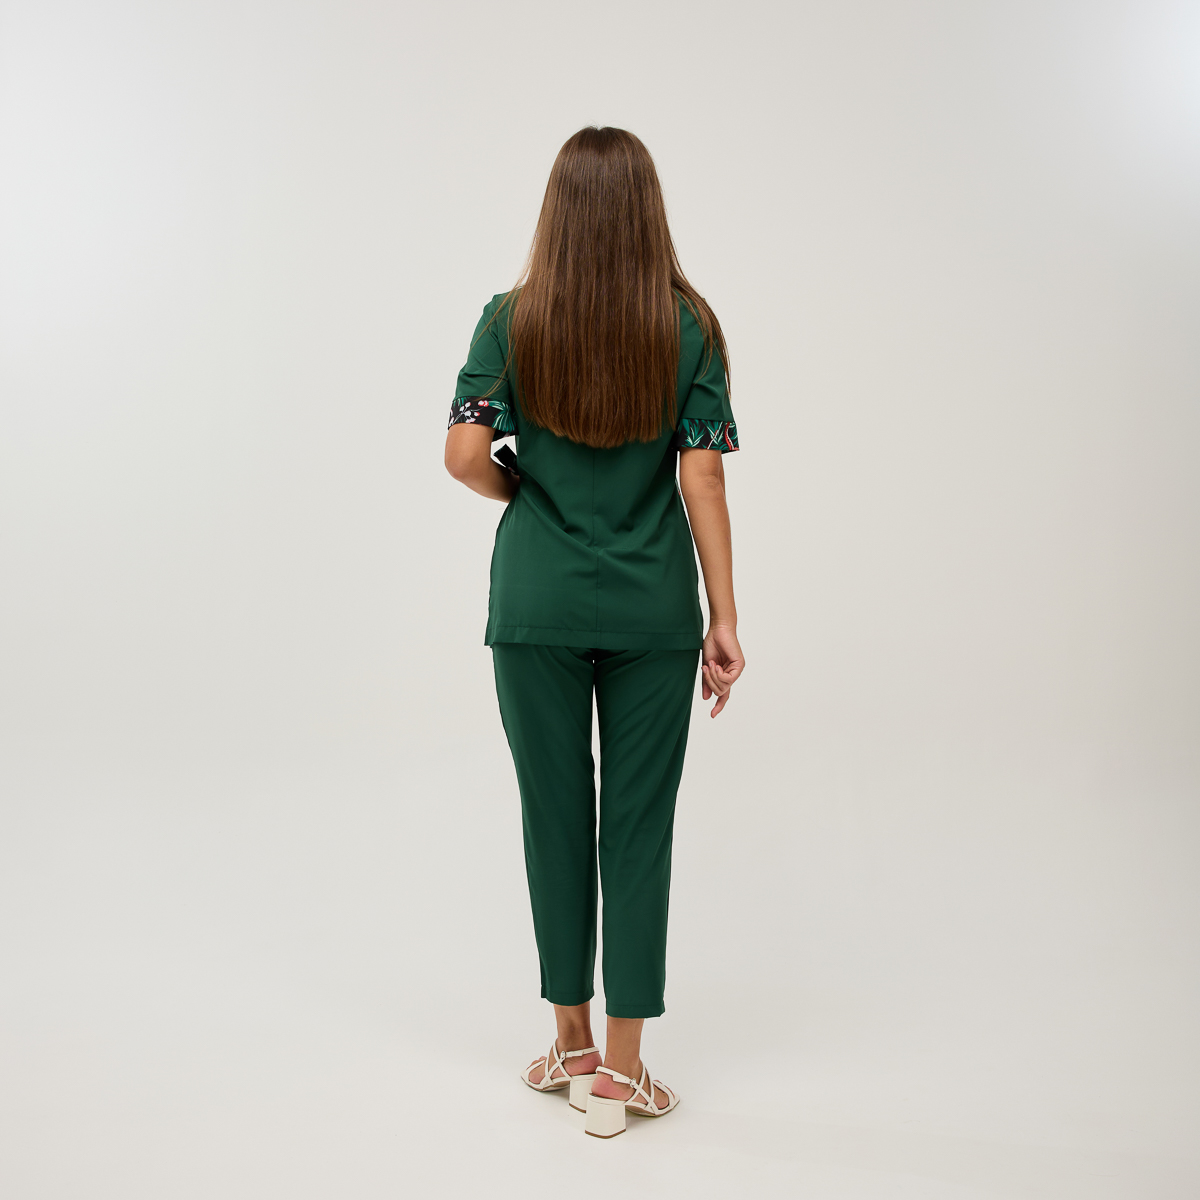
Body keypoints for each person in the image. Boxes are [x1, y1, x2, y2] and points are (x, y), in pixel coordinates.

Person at [443, 126, 743, 1139]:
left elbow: (463, 456)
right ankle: (619, 1073)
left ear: (557, 209)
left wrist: (525, 493)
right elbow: (703, 475)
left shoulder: (510, 319)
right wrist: (725, 616)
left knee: (555, 815)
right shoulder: (688, 326)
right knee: (639, 828)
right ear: (647, 209)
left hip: (535, 602)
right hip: (653, 607)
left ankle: (569, 1046)